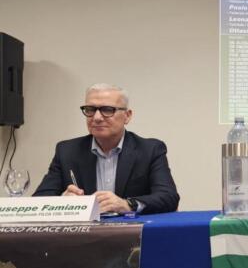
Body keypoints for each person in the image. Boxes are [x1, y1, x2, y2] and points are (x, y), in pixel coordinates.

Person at [34, 84, 180, 214]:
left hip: (133, 232)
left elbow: (169, 197)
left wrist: (127, 204)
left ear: (127, 116)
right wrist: (61, 202)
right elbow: (37, 201)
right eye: (90, 110)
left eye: (107, 110)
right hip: (84, 233)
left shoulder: (150, 150)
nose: (97, 117)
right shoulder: (67, 151)